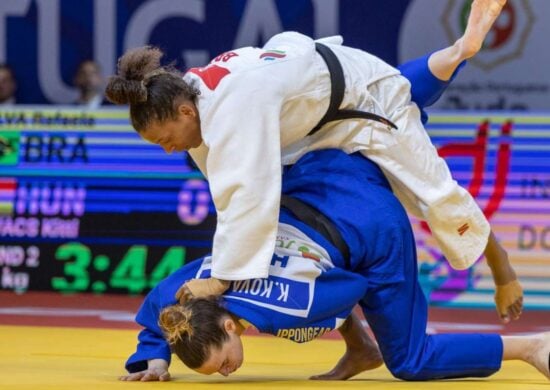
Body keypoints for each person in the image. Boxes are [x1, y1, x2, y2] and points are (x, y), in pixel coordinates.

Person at [106, 1, 519, 309]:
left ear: (183, 112)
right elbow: (225, 189)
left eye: (164, 139)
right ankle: (453, 54)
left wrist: (222, 278)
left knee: (433, 194)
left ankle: (503, 271)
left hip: (365, 103)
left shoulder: (232, 109)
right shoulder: (193, 93)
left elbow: (245, 194)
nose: (167, 149)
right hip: (316, 110)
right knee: (296, 202)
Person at [119, 148, 549, 383]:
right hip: (326, 175)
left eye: (223, 363)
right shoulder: (194, 289)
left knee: (410, 361)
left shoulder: (280, 309)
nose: (228, 371)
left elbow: (354, 286)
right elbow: (160, 309)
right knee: (394, 94)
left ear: (230, 327)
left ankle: (531, 346)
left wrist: (322, 322)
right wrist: (154, 360)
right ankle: (361, 349)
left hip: (370, 226)